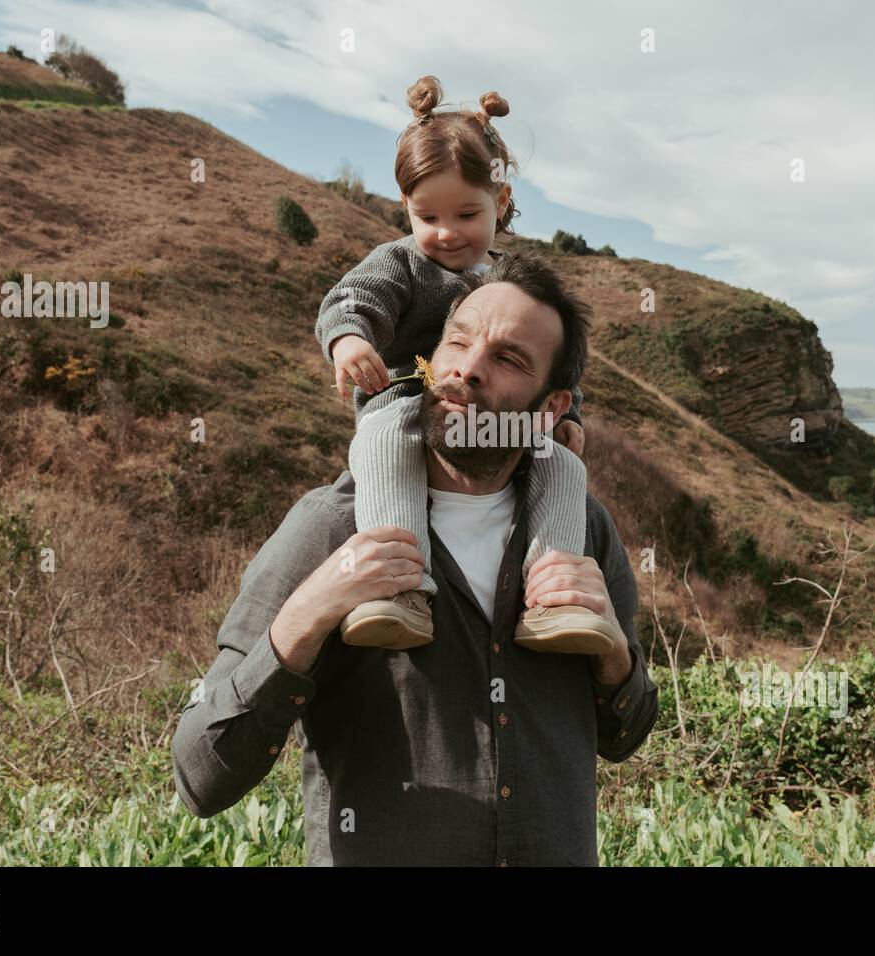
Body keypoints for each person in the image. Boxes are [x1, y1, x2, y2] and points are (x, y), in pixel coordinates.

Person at [172, 252, 660, 865]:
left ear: (552, 410)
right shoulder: (331, 527)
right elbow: (199, 774)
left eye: (508, 358)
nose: (468, 369)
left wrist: (613, 654)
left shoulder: (584, 529)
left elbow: (626, 735)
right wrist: (306, 616)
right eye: (457, 343)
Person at [315, 73, 616, 653]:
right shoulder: (399, 263)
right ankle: (399, 589)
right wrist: (350, 341)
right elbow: (354, 299)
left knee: (561, 466)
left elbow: (554, 366)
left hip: (496, 421)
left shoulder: (511, 280)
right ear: (405, 207)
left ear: (500, 203)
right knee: (382, 447)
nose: (447, 234)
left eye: (466, 215)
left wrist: (569, 413)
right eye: (427, 217)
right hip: (404, 403)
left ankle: (554, 597)